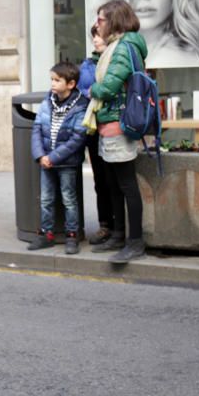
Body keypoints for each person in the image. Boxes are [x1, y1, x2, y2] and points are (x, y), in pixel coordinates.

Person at [87, 0, 148, 264]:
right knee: (114, 184)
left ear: (113, 21)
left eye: (100, 19)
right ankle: (119, 234)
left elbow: (109, 87)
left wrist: (93, 90)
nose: (97, 24)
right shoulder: (117, 46)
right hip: (109, 122)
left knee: (126, 185)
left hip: (119, 123)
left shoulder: (124, 47)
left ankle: (135, 241)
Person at [28, 62, 89, 254]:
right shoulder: (48, 102)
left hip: (66, 163)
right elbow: (37, 128)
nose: (52, 84)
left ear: (70, 84)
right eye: (51, 80)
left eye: (57, 80)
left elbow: (77, 138)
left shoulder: (80, 106)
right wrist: (40, 155)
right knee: (46, 199)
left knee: (69, 199)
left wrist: (53, 157)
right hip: (46, 161)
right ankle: (46, 233)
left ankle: (72, 235)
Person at [78, 24, 113, 245]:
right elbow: (85, 90)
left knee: (116, 179)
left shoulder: (118, 60)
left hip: (114, 126)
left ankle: (120, 225)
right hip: (94, 126)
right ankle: (105, 225)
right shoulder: (88, 64)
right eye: (93, 37)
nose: (95, 40)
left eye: (99, 36)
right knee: (100, 179)